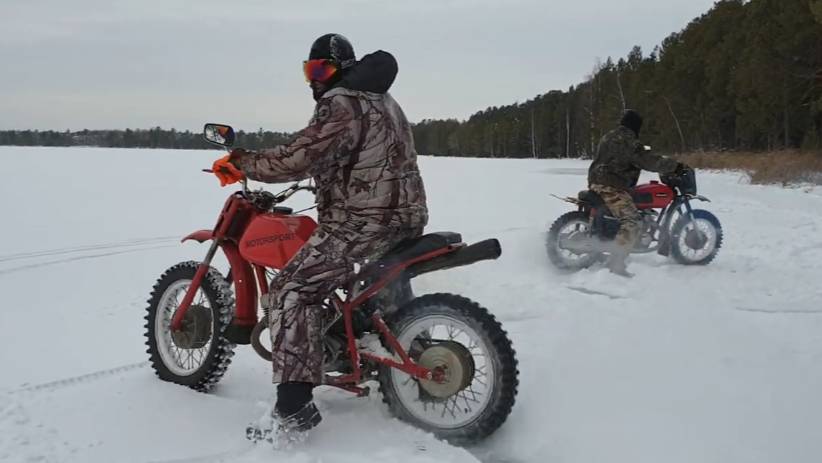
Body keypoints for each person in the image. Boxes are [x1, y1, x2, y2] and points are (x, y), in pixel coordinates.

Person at [212, 33, 428, 438]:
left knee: (291, 292)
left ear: (342, 69)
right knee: (378, 287)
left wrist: (243, 163)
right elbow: (357, 156)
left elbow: (300, 156)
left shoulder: (341, 102)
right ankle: (401, 349)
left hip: (363, 223)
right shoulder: (384, 99)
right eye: (309, 70)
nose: (315, 79)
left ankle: (293, 409)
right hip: (405, 217)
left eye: (321, 69)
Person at [587, 109, 685, 277]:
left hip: (596, 181)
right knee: (633, 222)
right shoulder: (628, 141)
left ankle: (604, 243)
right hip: (611, 185)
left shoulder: (609, 136)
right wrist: (675, 166)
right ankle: (616, 264)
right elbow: (647, 160)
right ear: (635, 126)